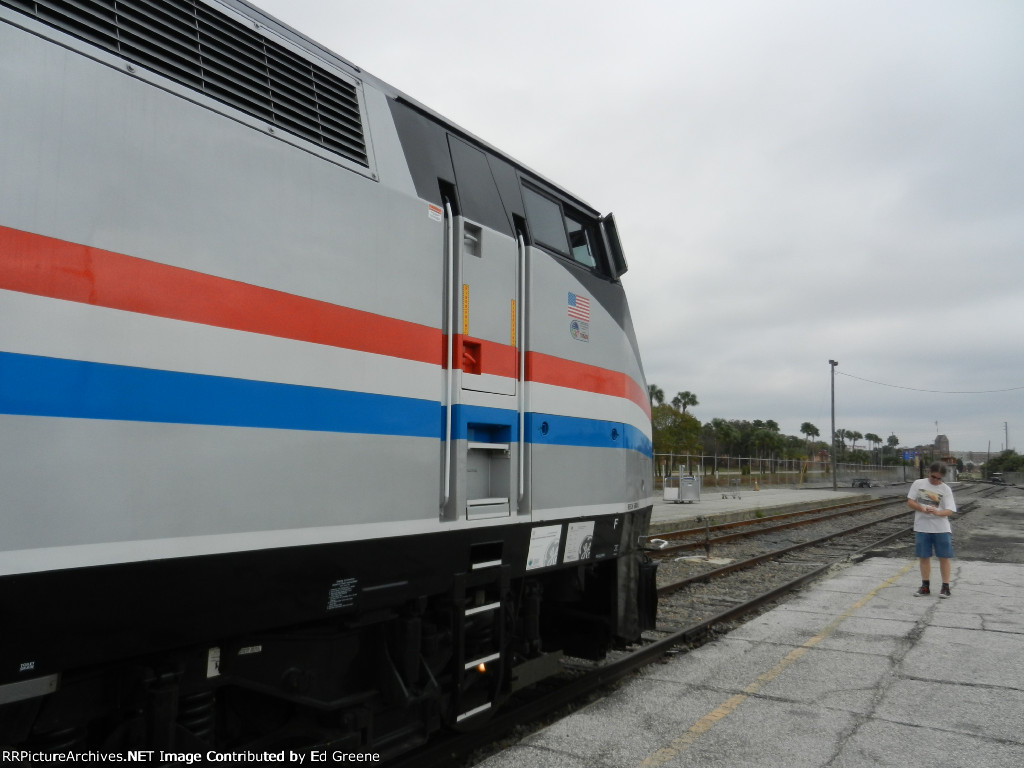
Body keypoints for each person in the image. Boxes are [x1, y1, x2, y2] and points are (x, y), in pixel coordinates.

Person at [907, 461, 956, 598]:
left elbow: (950, 510)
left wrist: (937, 512)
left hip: (941, 528)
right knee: (924, 556)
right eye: (933, 477)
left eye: (939, 478)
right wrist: (922, 508)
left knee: (944, 557)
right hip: (922, 527)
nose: (935, 480)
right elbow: (910, 501)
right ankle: (925, 586)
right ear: (929, 473)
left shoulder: (945, 489)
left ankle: (945, 587)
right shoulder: (918, 484)